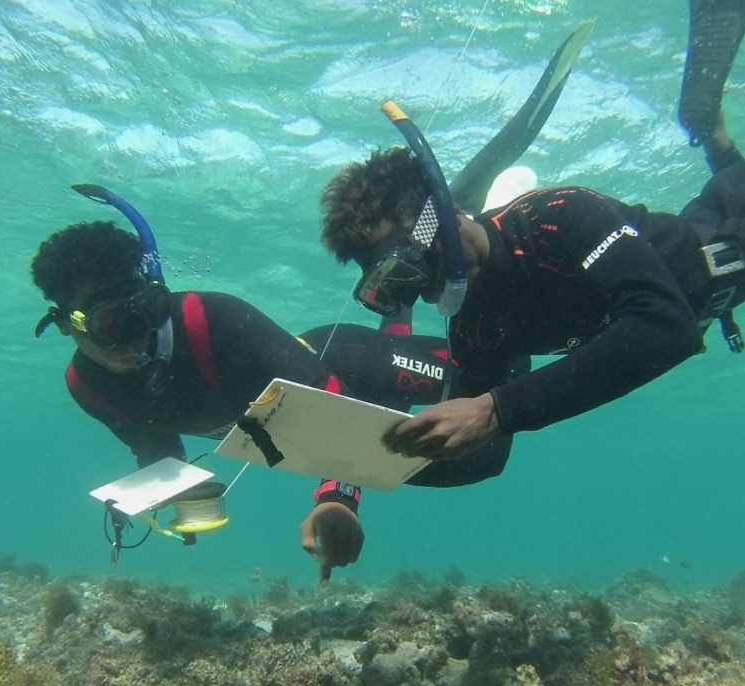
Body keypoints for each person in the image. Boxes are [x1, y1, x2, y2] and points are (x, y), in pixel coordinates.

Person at [30, 25, 595, 582]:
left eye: (143, 310)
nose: (131, 339)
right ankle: (408, 286)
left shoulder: (212, 318)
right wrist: (177, 495)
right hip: (303, 417)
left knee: (485, 452)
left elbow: (330, 402)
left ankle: (469, 217)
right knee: (454, 458)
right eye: (105, 324)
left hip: (337, 365)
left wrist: (340, 499)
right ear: (66, 327)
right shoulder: (89, 387)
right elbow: (151, 437)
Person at [319, 48, 745, 463]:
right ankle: (712, 126)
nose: (422, 287)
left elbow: (664, 330)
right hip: (730, 270)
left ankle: (707, 116)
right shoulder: (476, 325)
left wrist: (498, 407)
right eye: (394, 284)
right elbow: (484, 450)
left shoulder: (557, 216)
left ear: (445, 211)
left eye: (414, 259)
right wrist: (367, 473)